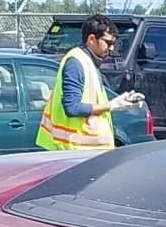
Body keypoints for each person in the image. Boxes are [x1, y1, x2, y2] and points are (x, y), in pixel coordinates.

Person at [36, 17, 145, 151]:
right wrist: (111, 105)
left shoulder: (88, 61)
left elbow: (94, 98)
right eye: (108, 43)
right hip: (74, 150)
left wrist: (120, 101)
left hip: (86, 150)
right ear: (92, 39)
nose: (112, 49)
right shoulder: (76, 63)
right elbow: (72, 108)